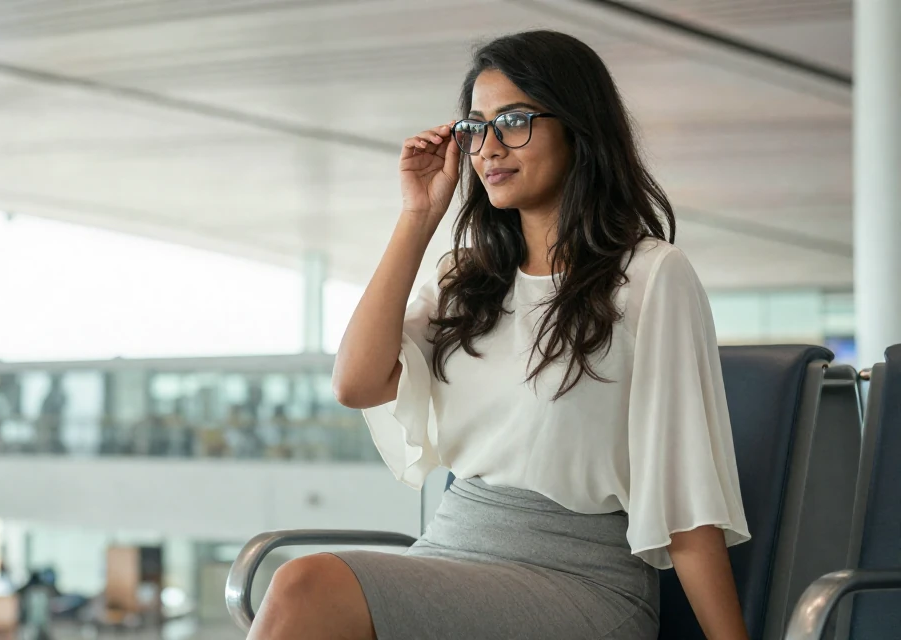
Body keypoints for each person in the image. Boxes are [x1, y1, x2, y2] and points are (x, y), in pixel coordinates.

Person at [249, 30, 751, 640]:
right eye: (474, 126)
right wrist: (417, 217)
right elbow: (355, 383)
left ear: (577, 126)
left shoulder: (649, 276)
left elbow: (685, 489)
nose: (488, 147)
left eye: (512, 121)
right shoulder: (468, 276)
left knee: (306, 586)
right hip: (450, 548)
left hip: (581, 580)